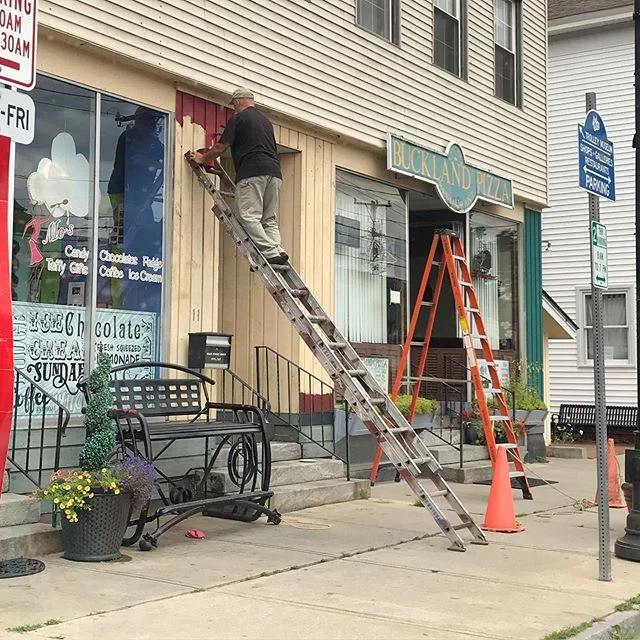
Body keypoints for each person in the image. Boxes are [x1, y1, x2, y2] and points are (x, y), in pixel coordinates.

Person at [193, 87, 288, 265]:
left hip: (252, 172)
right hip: (274, 173)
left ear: (237, 102)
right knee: (268, 218)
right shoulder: (266, 122)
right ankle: (277, 250)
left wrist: (202, 158)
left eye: (233, 105)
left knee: (248, 216)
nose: (233, 109)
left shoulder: (238, 118)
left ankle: (269, 252)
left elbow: (221, 147)